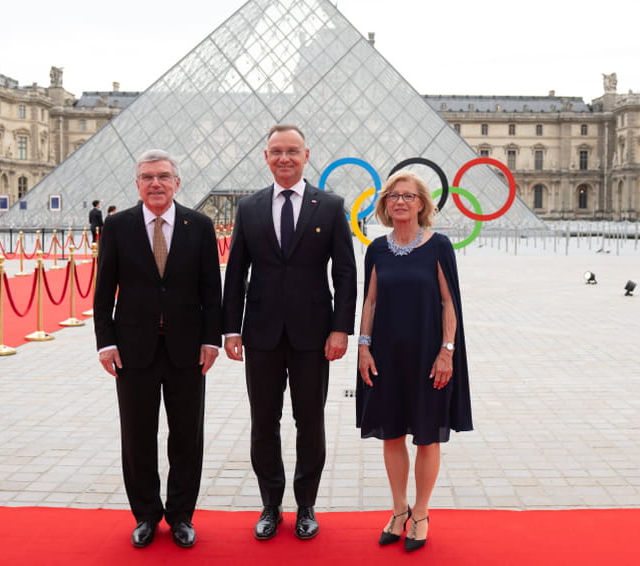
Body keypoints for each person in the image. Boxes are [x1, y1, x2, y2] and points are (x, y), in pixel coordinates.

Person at [223, 124, 357, 541]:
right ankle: (270, 505)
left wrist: (340, 330)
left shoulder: (331, 206)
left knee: (309, 422)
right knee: (264, 423)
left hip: (313, 336)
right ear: (266, 156)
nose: (284, 158)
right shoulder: (249, 207)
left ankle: (306, 506)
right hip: (260, 334)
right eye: (276, 151)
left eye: (292, 151)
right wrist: (230, 329)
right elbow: (236, 273)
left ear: (306, 154)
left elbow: (346, 273)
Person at [94, 149, 222, 549]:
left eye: (163, 176)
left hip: (187, 349)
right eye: (147, 177)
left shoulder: (199, 225)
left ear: (177, 182)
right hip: (133, 350)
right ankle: (146, 514)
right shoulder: (118, 226)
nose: (155, 183)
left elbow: (210, 289)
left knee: (187, 435)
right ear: (137, 184)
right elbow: (103, 292)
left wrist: (210, 340)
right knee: (137, 436)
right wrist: (106, 343)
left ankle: (181, 515)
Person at [356, 170, 473, 552]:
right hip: (386, 355)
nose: (400, 201)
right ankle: (398, 508)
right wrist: (364, 346)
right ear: (385, 204)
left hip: (427, 354)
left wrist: (447, 351)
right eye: (393, 196)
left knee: (426, 435)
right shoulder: (376, 248)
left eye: (408, 196)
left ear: (422, 204)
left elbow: (449, 302)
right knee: (390, 433)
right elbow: (370, 301)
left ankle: (420, 512)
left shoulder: (438, 245)